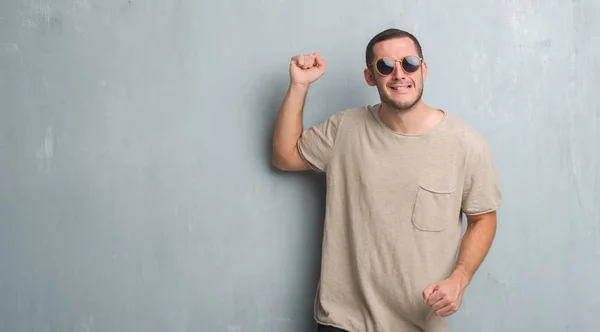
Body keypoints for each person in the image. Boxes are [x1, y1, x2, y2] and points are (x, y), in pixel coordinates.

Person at [271, 28, 502, 332]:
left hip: (419, 322)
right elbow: (284, 156)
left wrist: (459, 279)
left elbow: (483, 218)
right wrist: (299, 86)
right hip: (343, 321)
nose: (398, 74)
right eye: (384, 66)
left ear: (424, 69)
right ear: (370, 77)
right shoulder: (345, 130)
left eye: (408, 63)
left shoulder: (465, 144)